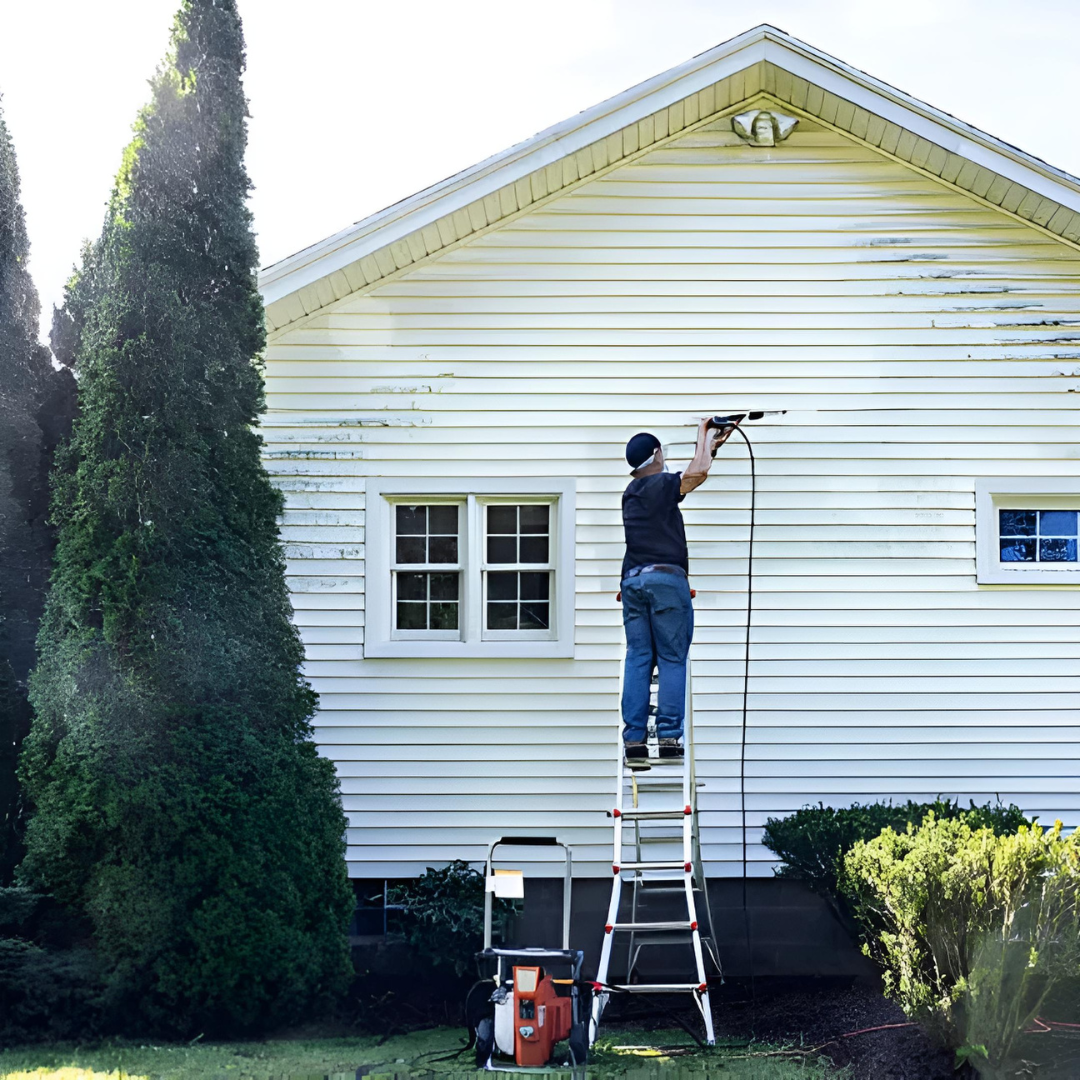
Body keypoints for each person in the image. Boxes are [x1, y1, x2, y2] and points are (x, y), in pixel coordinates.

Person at [619, 419, 733, 768]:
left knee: (639, 657)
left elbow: (694, 471)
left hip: (633, 582)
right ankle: (668, 737)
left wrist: (712, 445)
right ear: (657, 454)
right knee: (671, 657)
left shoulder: (632, 494)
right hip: (667, 581)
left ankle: (635, 742)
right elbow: (696, 475)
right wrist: (703, 432)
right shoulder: (660, 484)